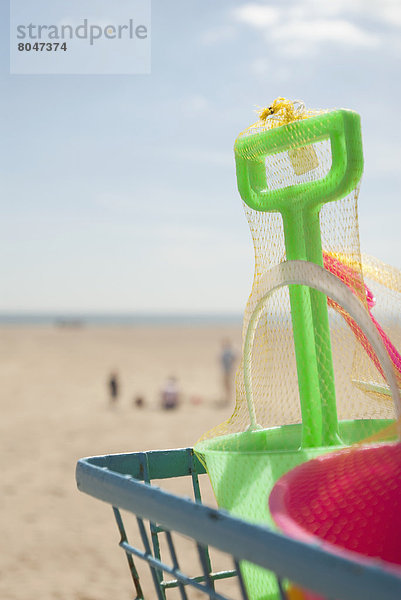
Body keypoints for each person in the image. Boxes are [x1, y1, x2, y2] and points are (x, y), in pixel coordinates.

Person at [220, 339, 237, 405]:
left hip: (228, 371)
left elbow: (235, 358)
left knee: (228, 385)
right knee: (225, 385)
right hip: (225, 371)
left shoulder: (228, 352)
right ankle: (227, 398)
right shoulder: (225, 352)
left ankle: (229, 398)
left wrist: (232, 365)